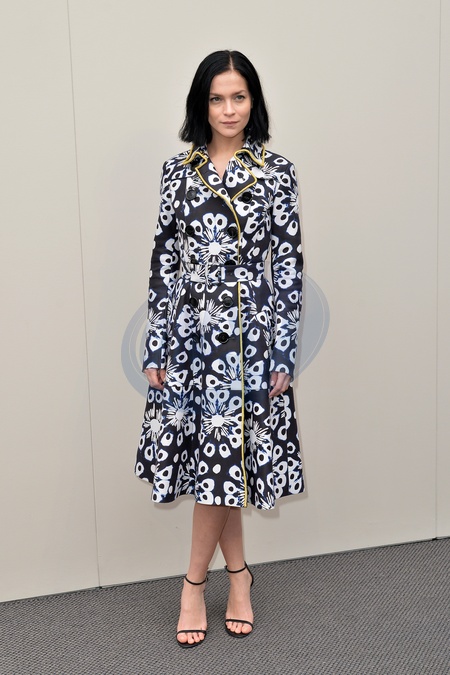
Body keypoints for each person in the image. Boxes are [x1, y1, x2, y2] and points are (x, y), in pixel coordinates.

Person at [135, 50, 304, 648]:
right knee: (218, 465)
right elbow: (164, 261)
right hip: (191, 335)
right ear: (200, 104)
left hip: (250, 337)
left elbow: (288, 266)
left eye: (239, 96)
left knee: (225, 462)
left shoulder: (276, 172)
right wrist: (156, 343)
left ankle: (193, 584)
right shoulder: (177, 172)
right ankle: (238, 578)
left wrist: (283, 353)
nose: (228, 109)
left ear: (253, 101)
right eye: (217, 98)